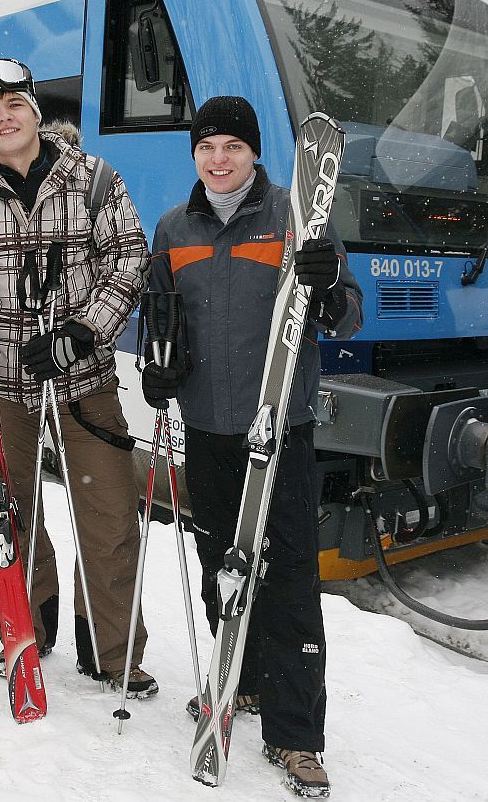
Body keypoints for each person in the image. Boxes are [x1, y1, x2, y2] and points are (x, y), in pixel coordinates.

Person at [0, 58, 157, 697]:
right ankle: (26, 631)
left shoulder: (92, 178)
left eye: (14, 103)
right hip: (0, 387)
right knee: (10, 512)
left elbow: (128, 257)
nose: (3, 116)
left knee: (109, 513)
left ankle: (112, 649)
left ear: (36, 112)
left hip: (83, 377)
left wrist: (83, 330)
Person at [142, 96, 362, 798]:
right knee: (223, 567)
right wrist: (156, 365)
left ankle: (297, 736)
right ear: (195, 156)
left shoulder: (298, 218)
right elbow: (159, 312)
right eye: (207, 148)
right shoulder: (175, 226)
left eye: (232, 146)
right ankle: (243, 680)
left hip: (282, 429)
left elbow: (349, 313)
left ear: (255, 153)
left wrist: (326, 284)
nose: (219, 159)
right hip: (206, 428)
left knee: (290, 574)